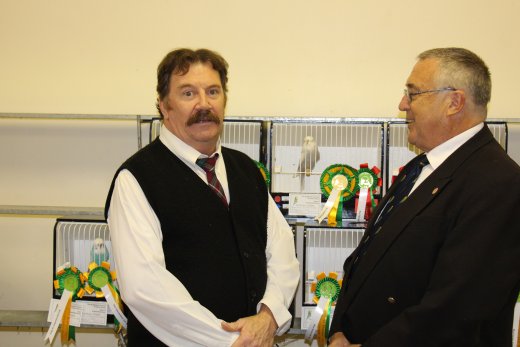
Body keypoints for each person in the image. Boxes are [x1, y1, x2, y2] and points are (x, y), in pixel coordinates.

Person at [105, 48, 299, 346]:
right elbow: (144, 288)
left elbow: (282, 253)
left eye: (213, 91)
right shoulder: (135, 179)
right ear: (163, 106)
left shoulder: (247, 170)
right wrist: (232, 341)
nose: (204, 104)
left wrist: (268, 317)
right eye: (187, 94)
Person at [329, 47, 520, 346]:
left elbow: (458, 307)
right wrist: (339, 328)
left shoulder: (499, 183)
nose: (403, 104)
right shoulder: (418, 169)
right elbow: (365, 259)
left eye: (413, 93)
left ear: (454, 102)